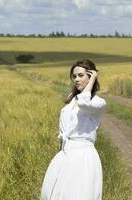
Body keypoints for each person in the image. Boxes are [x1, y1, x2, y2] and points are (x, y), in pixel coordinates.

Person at [40, 59, 106, 200]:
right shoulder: (72, 99)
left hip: (83, 157)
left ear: (91, 76)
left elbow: (84, 103)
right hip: (65, 154)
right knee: (56, 194)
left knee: (79, 194)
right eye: (74, 76)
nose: (76, 79)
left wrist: (93, 81)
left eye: (81, 75)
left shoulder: (98, 103)